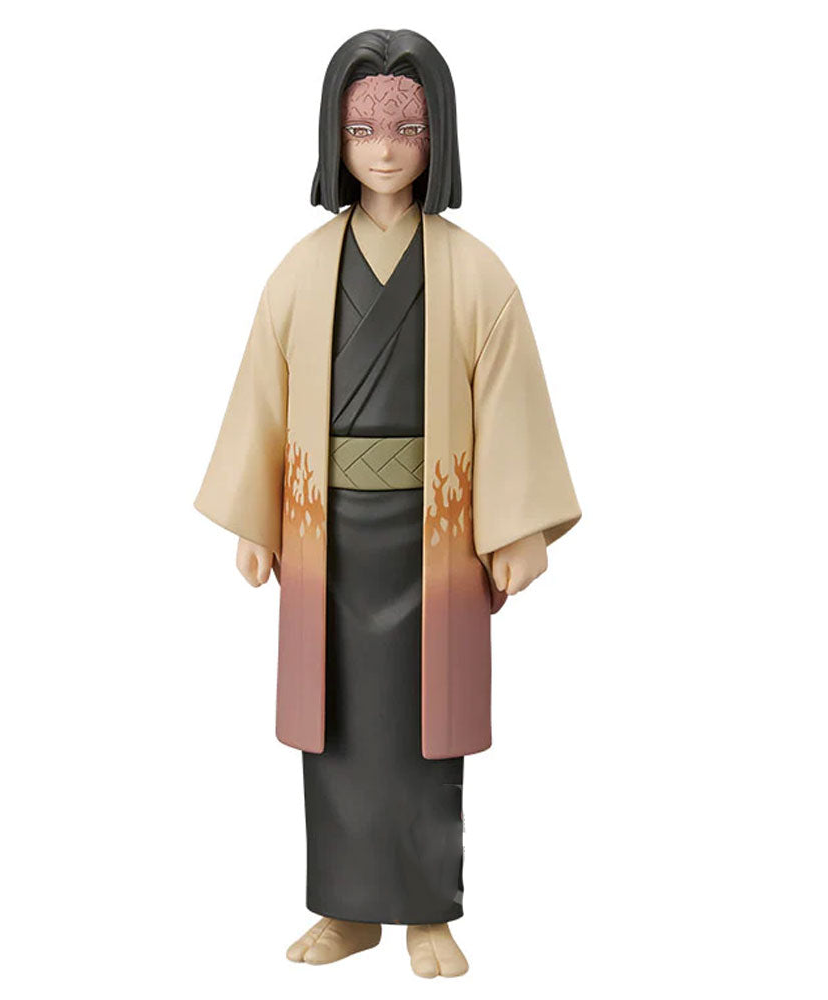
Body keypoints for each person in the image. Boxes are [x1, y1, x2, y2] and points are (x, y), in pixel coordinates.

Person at [195, 28, 581, 978]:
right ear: (335, 136)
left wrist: (513, 526)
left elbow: (508, 402)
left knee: (424, 732)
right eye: (362, 127)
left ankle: (426, 914)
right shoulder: (301, 270)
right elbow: (264, 395)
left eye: (406, 127)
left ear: (437, 135)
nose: (382, 149)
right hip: (323, 533)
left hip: (433, 535)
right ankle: (345, 910)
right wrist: (256, 518)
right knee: (335, 730)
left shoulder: (475, 272)